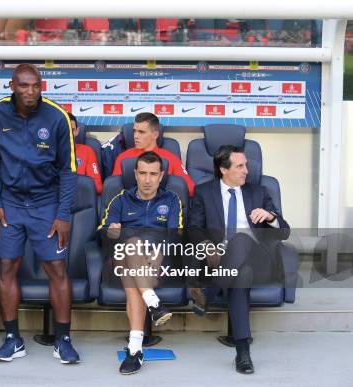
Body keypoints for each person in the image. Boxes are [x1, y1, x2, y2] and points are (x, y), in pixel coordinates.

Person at [0, 63, 79, 364]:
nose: (31, 91)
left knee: (57, 269)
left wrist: (63, 214)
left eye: (36, 85)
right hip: (11, 203)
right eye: (24, 85)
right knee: (7, 266)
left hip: (46, 203)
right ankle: (12, 338)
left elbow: (68, 171)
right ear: (11, 86)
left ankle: (63, 339)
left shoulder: (57, 117)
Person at [188, 145, 290, 374]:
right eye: (240, 166)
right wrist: (206, 245)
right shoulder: (204, 192)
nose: (247, 170)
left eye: (246, 165)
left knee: (242, 238)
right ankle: (243, 352)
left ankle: (209, 293)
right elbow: (193, 229)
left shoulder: (259, 192)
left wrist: (271, 217)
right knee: (239, 275)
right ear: (223, 169)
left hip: (258, 258)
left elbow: (284, 232)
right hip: (221, 261)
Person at [99, 151, 182, 375]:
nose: (147, 180)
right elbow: (102, 232)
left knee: (133, 285)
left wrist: (159, 253)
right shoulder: (121, 199)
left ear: (161, 175)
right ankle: (154, 303)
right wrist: (112, 234)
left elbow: (176, 235)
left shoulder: (171, 199)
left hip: (155, 262)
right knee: (131, 242)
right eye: (143, 173)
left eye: (153, 174)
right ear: (135, 174)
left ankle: (135, 350)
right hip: (120, 258)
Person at [112, 112, 195, 196]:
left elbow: (190, 189)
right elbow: (114, 189)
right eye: (134, 131)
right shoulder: (123, 158)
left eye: (141, 132)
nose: (136, 136)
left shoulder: (170, 158)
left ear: (155, 135)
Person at [68, 112, 102, 194]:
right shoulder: (49, 151)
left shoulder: (87, 151)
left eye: (71, 130)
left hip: (81, 199)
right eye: (63, 129)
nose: (67, 134)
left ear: (77, 131)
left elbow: (97, 187)